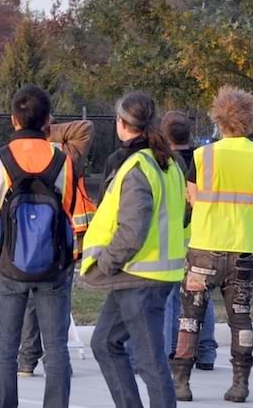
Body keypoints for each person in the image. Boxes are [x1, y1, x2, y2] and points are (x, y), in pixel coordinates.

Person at [171, 86, 253, 403]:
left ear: (218, 119)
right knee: (241, 318)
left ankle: (181, 383)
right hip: (244, 251)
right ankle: (240, 384)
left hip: (205, 247)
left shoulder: (203, 157)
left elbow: (190, 199)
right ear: (250, 120)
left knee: (190, 318)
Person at [81, 91, 187, 408]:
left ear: (121, 123)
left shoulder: (138, 165)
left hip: (139, 275)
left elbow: (132, 230)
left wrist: (106, 263)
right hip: (148, 273)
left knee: (150, 362)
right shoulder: (168, 161)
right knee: (104, 342)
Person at [0, 84, 76, 408]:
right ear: (48, 119)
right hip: (54, 264)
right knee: (57, 349)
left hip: (8, 262)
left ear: (13, 119)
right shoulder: (63, 160)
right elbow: (69, 205)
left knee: (5, 351)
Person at [17, 116, 95, 377]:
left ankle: (27, 361)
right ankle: (55, 361)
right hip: (63, 238)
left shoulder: (18, 154)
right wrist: (48, 129)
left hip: (29, 240)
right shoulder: (65, 156)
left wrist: (39, 130)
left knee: (30, 301)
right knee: (58, 301)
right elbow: (85, 128)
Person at [160, 111, 217, 370]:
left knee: (172, 298)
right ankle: (205, 352)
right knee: (203, 295)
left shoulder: (163, 164)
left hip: (174, 238)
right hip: (203, 235)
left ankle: (174, 349)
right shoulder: (204, 160)